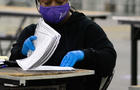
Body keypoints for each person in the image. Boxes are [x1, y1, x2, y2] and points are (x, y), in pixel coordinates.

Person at [9, 0, 117, 89]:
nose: (54, 6)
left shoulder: (87, 28)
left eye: (59, 2)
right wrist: (21, 52)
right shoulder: (32, 32)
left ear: (68, 2)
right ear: (38, 4)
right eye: (47, 3)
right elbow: (11, 64)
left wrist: (84, 55)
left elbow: (109, 58)